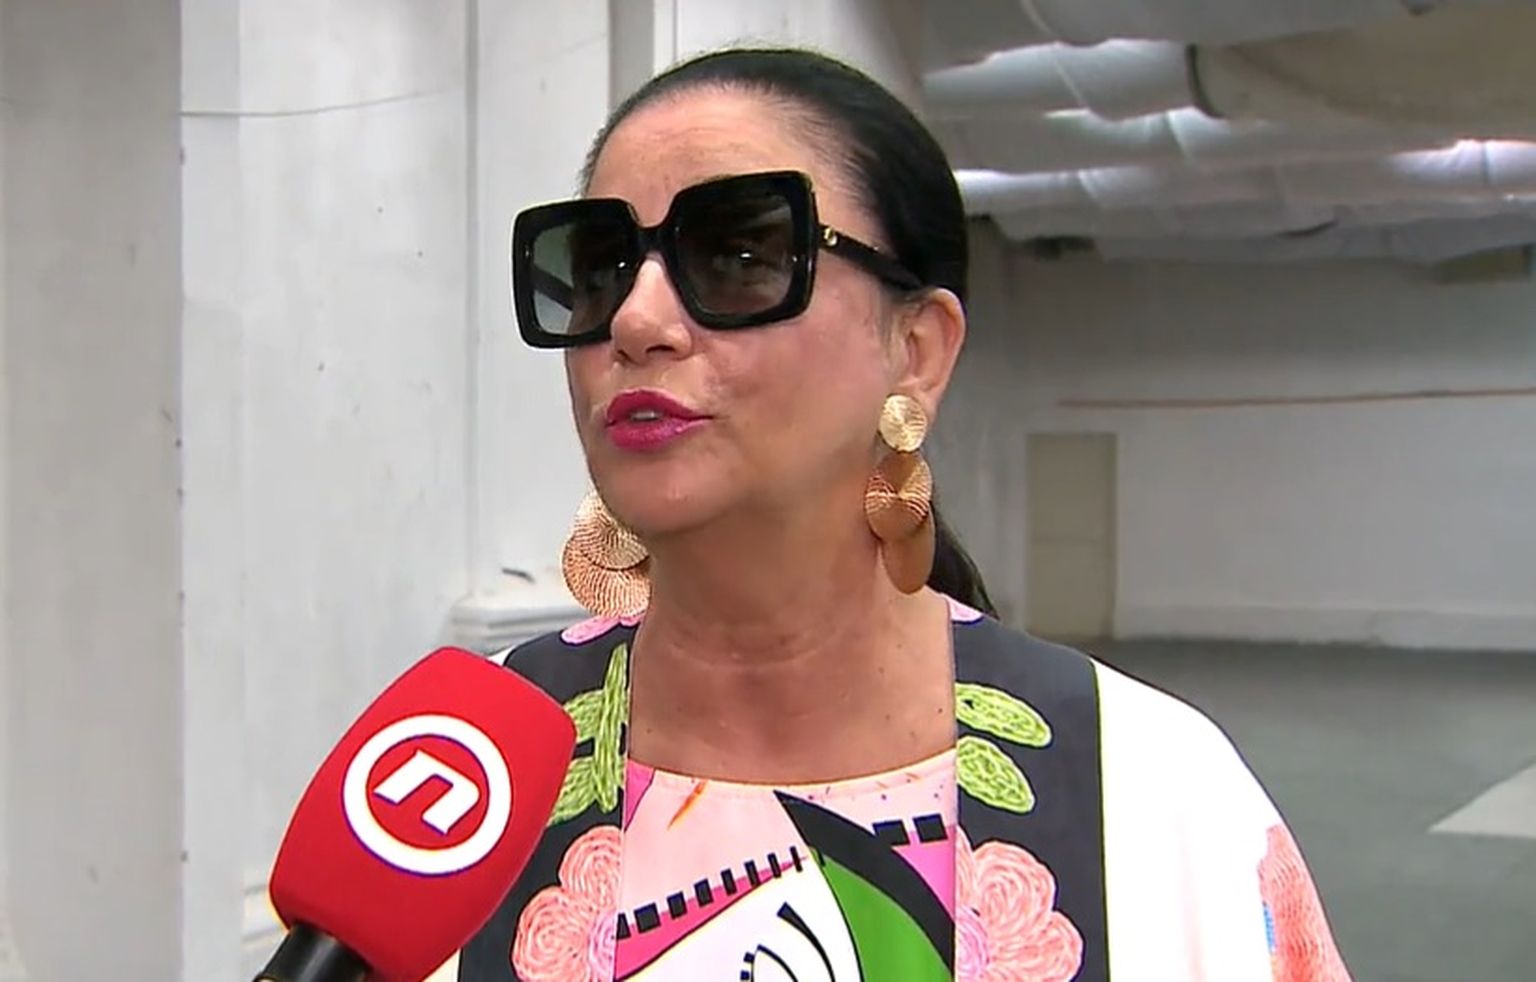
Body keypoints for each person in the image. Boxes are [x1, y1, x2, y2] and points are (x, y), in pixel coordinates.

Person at [459, 46, 1350, 982]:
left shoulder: (1150, 788)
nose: (636, 321)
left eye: (738, 257)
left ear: (917, 349)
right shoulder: (469, 769)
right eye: (600, 267)